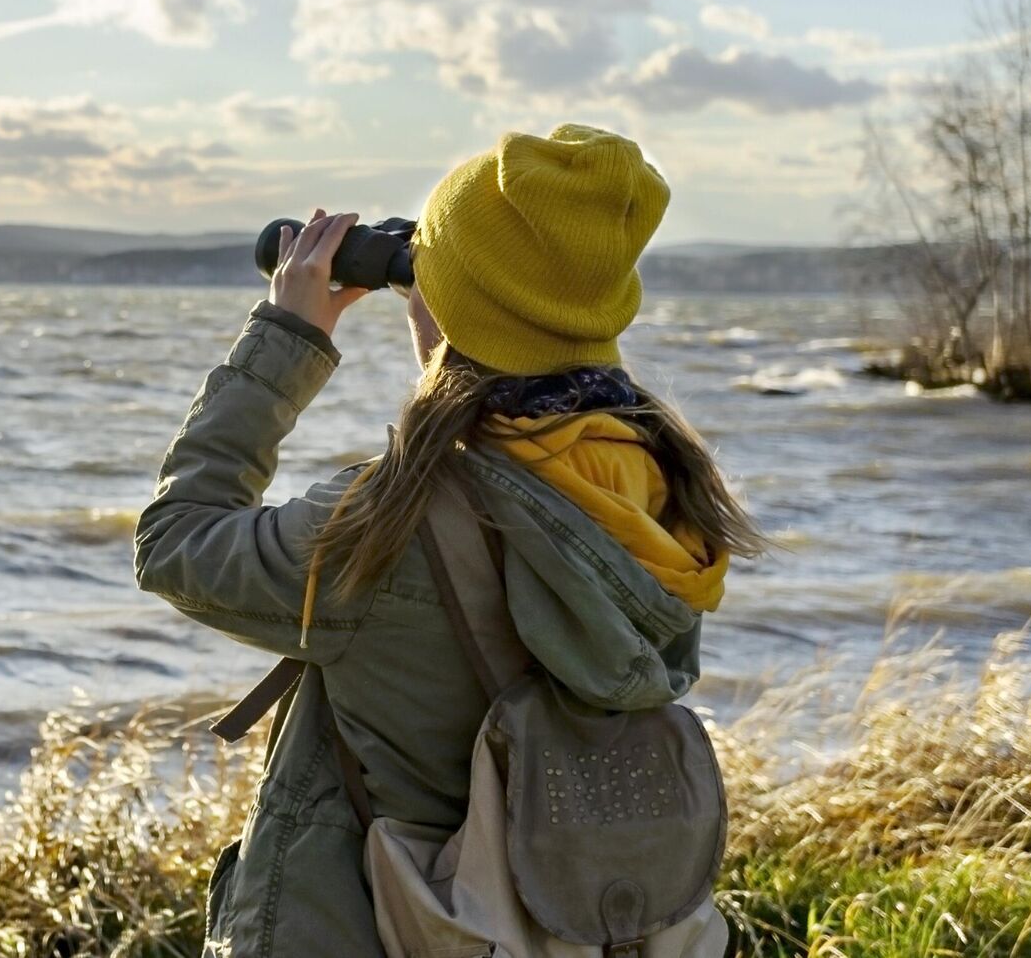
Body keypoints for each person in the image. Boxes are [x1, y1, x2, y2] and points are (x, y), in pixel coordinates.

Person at [134, 123, 766, 957]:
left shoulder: (387, 522)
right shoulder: (658, 489)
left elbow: (176, 543)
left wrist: (288, 338)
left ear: (458, 302)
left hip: (375, 926)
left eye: (426, 267)